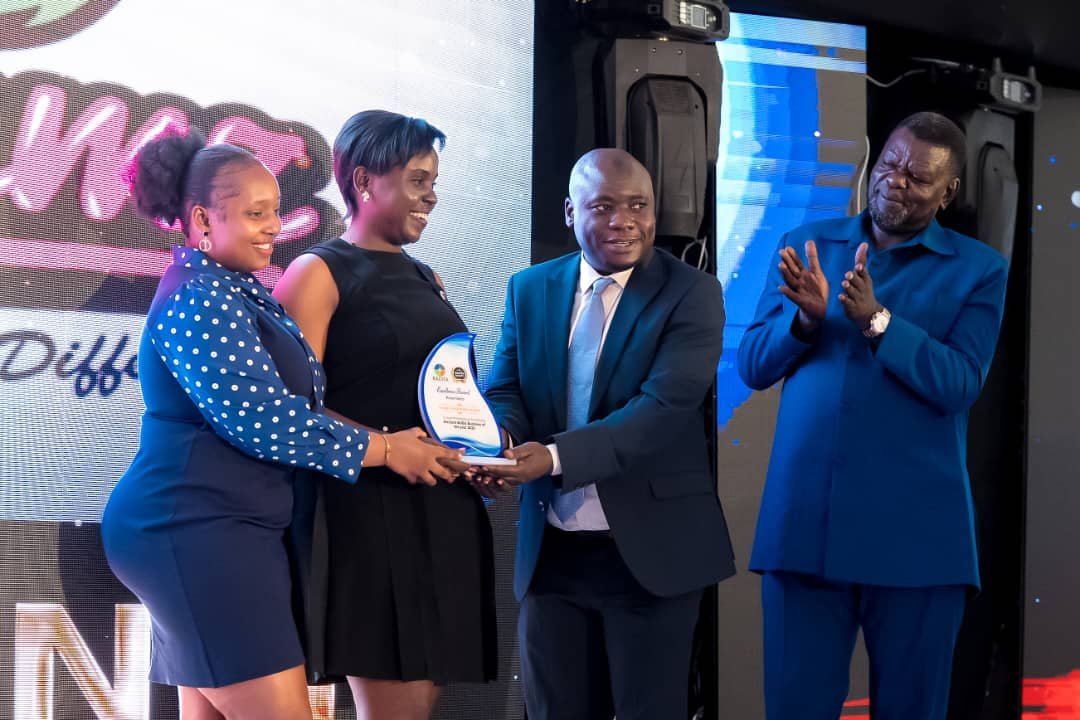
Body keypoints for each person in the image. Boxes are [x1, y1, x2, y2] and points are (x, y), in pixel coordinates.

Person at [101, 130, 463, 720]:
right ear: (201, 218)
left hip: (219, 529)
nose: (274, 226)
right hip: (197, 529)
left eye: (274, 210)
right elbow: (264, 419)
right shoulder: (200, 296)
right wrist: (386, 449)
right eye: (254, 213)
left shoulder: (232, 287)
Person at [737, 112, 1009, 720]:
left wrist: (876, 322)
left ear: (949, 191)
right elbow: (753, 366)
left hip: (918, 541)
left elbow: (960, 382)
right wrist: (804, 322)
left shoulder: (979, 269)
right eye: (889, 163)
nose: (895, 181)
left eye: (917, 177)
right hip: (806, 530)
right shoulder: (809, 243)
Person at [478, 148, 735, 720]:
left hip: (651, 556)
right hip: (553, 557)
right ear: (571, 213)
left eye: (638, 205)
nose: (624, 220)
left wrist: (548, 458)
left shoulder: (692, 293)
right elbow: (507, 389)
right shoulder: (530, 287)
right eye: (604, 206)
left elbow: (662, 411)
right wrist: (493, 444)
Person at [273, 110, 497, 720]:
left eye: (434, 180)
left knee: (421, 699)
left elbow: (441, 392)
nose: (432, 195)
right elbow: (291, 413)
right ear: (367, 181)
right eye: (419, 179)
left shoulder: (427, 276)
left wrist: (482, 449)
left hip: (440, 506)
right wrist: (391, 448)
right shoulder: (316, 272)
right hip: (369, 513)